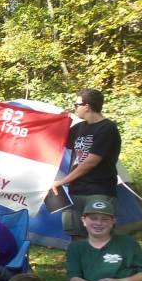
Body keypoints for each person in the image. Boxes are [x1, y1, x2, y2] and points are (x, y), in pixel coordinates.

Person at [51, 89, 121, 240]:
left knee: (99, 234)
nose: (75, 107)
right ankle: (82, 263)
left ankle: (104, 263)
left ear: (87, 106)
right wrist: (60, 120)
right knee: (76, 233)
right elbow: (55, 140)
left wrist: (62, 181)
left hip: (98, 191)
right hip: (76, 190)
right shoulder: (79, 128)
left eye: (76, 104)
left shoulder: (107, 128)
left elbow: (91, 162)